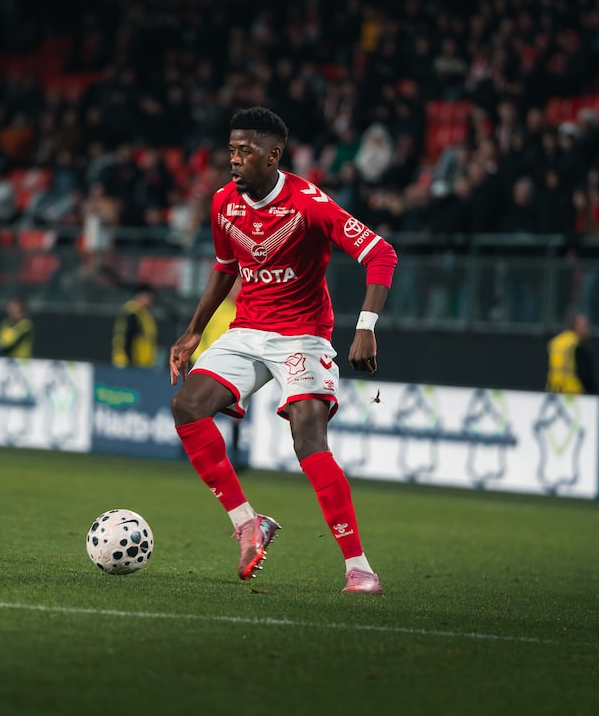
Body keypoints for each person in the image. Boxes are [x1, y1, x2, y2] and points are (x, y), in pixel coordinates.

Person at [169, 107, 397, 595]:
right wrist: (193, 332)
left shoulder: (310, 204)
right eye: (231, 150)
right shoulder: (223, 203)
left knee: (307, 436)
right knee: (187, 406)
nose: (234, 159)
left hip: (303, 334)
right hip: (248, 330)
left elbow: (381, 254)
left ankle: (358, 567)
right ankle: (247, 524)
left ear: (273, 155)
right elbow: (225, 267)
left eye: (245, 150)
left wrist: (366, 327)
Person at [192, 278, 246, 468]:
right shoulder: (216, 308)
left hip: (237, 369)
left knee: (236, 415)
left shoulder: (246, 311)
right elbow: (199, 335)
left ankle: (234, 457)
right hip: (211, 367)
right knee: (201, 410)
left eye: (241, 287)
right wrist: (200, 360)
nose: (237, 291)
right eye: (235, 287)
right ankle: (193, 452)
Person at [545, 312, 598, 394]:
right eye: (586, 326)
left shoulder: (556, 342)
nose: (588, 330)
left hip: (554, 392)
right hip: (574, 394)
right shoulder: (578, 345)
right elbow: (585, 376)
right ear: (576, 327)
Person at [112, 284, 157, 368]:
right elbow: (126, 338)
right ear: (139, 295)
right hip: (130, 363)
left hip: (141, 364)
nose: (151, 301)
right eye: (149, 297)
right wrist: (128, 362)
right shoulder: (132, 313)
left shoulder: (143, 314)